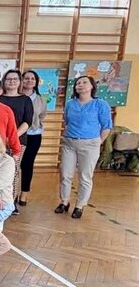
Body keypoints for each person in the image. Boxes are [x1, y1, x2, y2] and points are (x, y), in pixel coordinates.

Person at [55, 76, 112, 219]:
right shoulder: (70, 104)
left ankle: (80, 205)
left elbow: (106, 126)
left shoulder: (100, 104)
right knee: (65, 174)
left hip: (90, 144)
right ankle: (64, 202)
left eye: (84, 82)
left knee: (85, 176)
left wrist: (98, 142)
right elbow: (67, 122)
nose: (80, 85)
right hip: (69, 143)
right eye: (78, 83)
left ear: (92, 86)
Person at [0, 69, 34, 214]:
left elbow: (27, 122)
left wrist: (12, 137)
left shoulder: (25, 100)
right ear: (4, 81)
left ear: (19, 82)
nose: (12, 82)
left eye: (15, 79)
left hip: (18, 141)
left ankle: (11, 201)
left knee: (13, 171)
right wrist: (2, 138)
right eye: (9, 79)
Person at [19, 70, 47, 207]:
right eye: (26, 78)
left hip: (33, 135)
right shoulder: (17, 96)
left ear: (36, 82)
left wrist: (34, 125)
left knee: (27, 165)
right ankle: (11, 193)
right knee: (14, 165)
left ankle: (24, 194)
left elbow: (42, 115)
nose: (29, 81)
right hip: (18, 135)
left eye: (32, 78)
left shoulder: (40, 99)